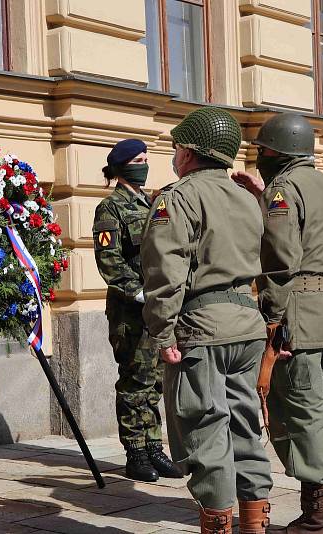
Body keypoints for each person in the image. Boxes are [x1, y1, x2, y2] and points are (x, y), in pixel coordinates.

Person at [141, 107, 272, 534]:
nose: (174, 154)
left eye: (178, 146)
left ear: (192, 152)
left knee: (205, 430)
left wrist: (162, 334)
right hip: (247, 326)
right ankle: (255, 525)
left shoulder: (177, 196)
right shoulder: (249, 196)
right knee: (245, 426)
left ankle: (218, 526)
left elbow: (165, 272)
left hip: (202, 329)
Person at [232, 112, 323, 534]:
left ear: (277, 152)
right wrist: (263, 196)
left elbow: (281, 261)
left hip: (298, 314)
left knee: (301, 410)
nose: (259, 156)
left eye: (263, 151)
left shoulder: (284, 189)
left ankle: (316, 520)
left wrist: (272, 317)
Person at [92, 139, 182, 482]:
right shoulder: (110, 208)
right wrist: (138, 292)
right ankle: (135, 452)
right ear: (123, 165)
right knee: (134, 381)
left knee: (155, 381)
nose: (144, 165)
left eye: (146, 159)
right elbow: (109, 260)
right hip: (131, 311)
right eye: (139, 160)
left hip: (157, 308)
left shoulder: (150, 202)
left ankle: (153, 447)